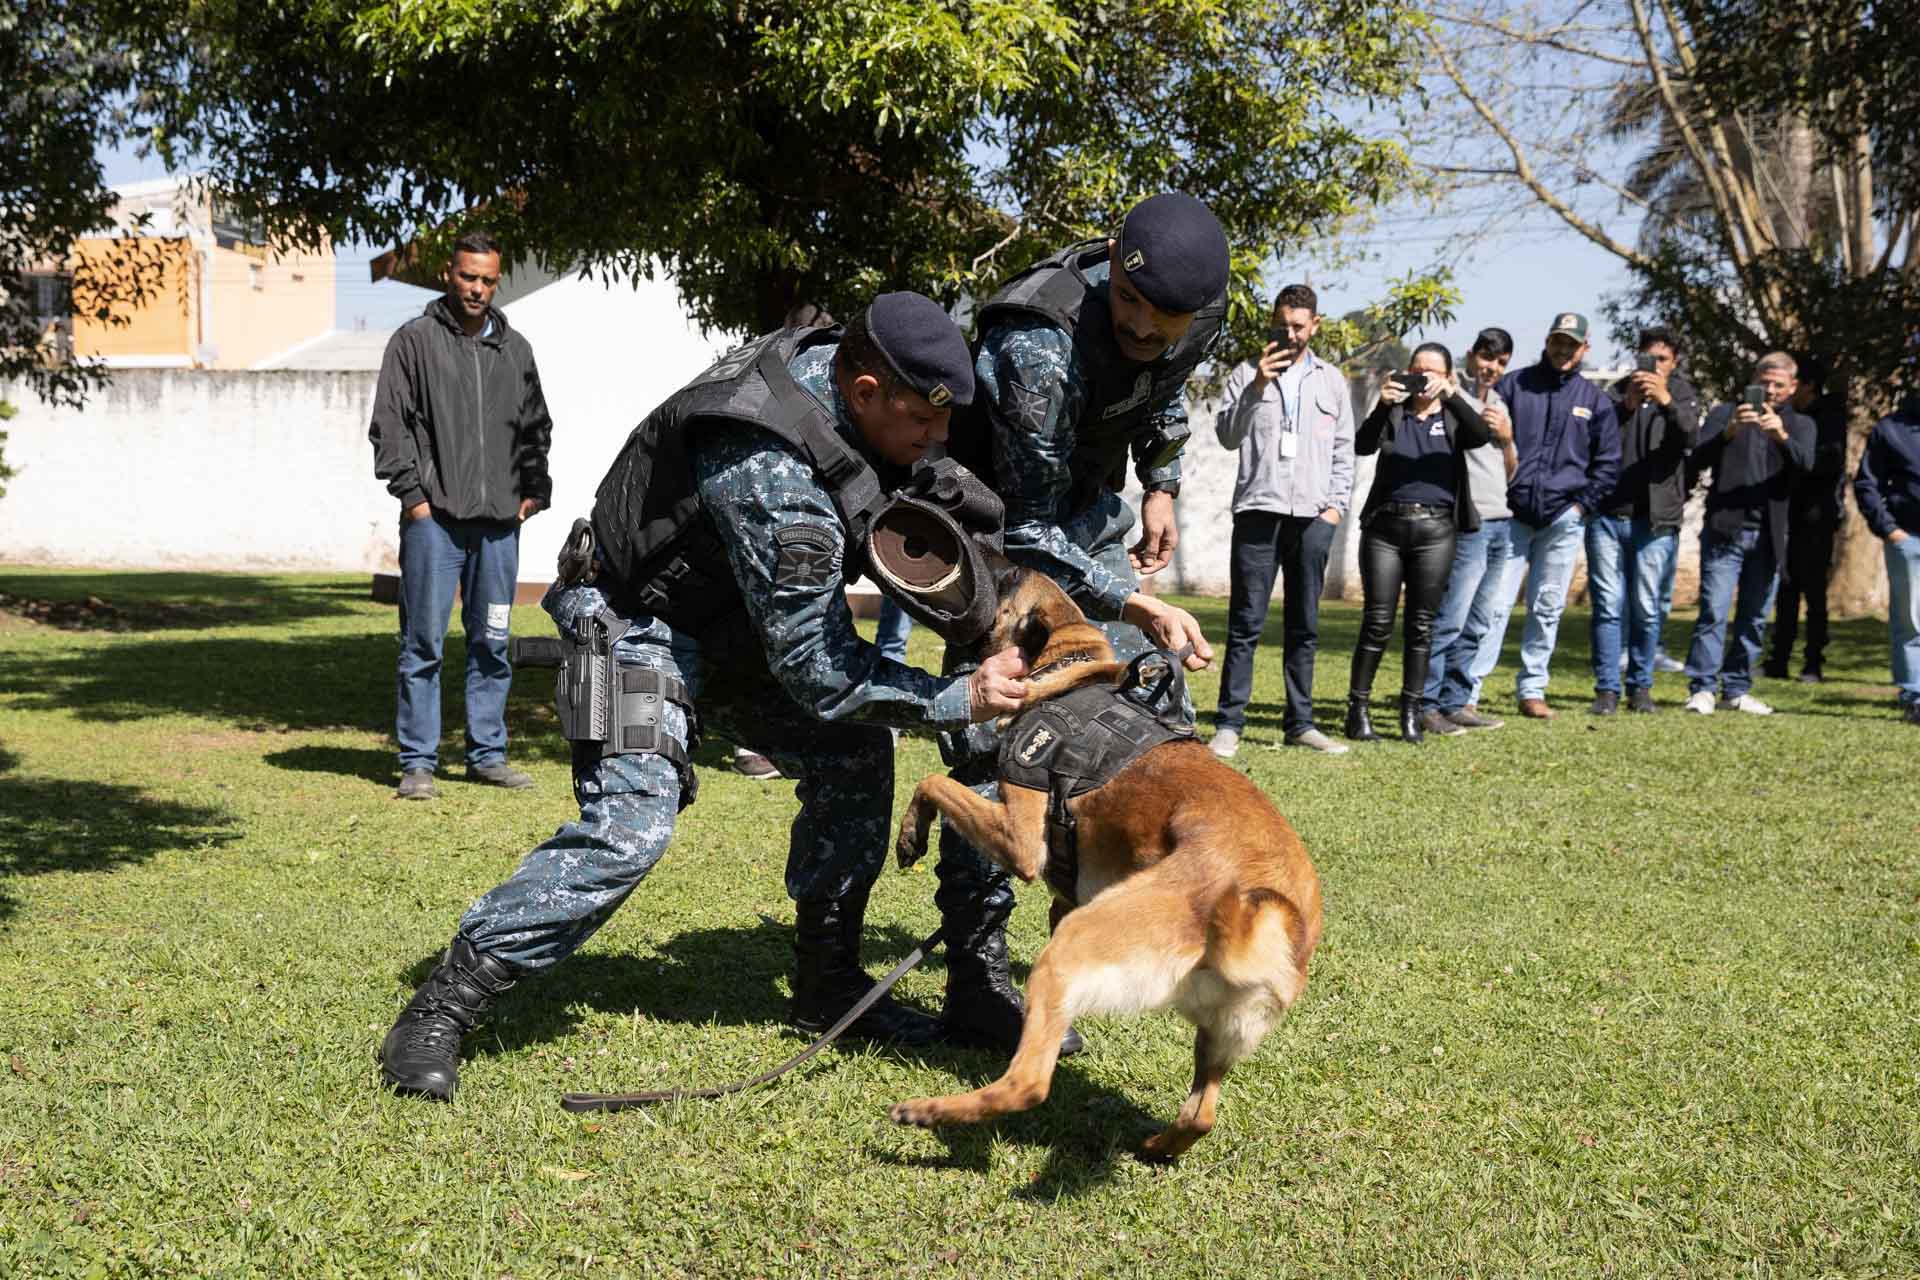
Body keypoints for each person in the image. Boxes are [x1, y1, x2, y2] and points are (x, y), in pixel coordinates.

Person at [378, 293, 1030, 1101]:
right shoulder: (773, 476)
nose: (936, 443)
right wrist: (951, 697)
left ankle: (827, 983)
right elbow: (819, 671)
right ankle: (446, 1001)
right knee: (632, 824)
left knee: (854, 754)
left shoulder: (837, 380)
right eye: (920, 423)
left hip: (726, 628)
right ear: (863, 391)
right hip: (628, 622)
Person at [935, 192, 1222, 1057]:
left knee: (1150, 705)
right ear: (1110, 261)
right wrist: (1132, 598)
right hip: (991, 535)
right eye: (1130, 307)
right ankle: (976, 980)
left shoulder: (1192, 317)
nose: (1142, 329)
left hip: (1086, 512)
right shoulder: (1039, 341)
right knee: (1002, 746)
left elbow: (1163, 396)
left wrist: (1163, 485)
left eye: (1163, 319)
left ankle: (1110, 915)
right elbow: (1023, 525)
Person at [369, 230, 553, 800]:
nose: (476, 289)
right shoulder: (414, 342)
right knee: (422, 642)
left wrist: (533, 489)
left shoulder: (515, 350)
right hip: (435, 525)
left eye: (487, 280)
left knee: (492, 640)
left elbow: (536, 428)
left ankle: (486, 755)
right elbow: (388, 427)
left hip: (499, 525)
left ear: (497, 282)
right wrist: (415, 499)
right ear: (449, 275)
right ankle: (419, 763)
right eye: (468, 277)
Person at [1207, 282, 1356, 758]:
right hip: (1258, 510)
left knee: (1304, 625)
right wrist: (1256, 388)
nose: (1290, 333)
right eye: (1283, 324)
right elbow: (1228, 436)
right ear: (1273, 321)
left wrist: (1335, 508)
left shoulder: (1331, 381)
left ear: (1314, 325)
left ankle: (1302, 723)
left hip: (1312, 517)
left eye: (1299, 325)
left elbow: (1344, 451)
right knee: (1245, 623)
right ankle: (1230, 723)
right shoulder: (1245, 374)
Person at [1345, 342, 1492, 743]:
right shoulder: (1394, 412)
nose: (1424, 378)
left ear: (1447, 375)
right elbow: (1362, 446)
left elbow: (1483, 435)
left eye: (1433, 372)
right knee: (1377, 622)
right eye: (1418, 370)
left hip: (1436, 531)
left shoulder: (1455, 415)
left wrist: (1453, 395)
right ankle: (1358, 712)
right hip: (1385, 528)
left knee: (1421, 626)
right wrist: (1380, 405)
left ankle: (1412, 712)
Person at [1484, 311, 1621, 719]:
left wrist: (1581, 507)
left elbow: (1608, 464)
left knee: (1546, 607)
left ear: (1585, 349)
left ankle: (1532, 689)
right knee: (1493, 604)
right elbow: (1485, 442)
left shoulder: (1595, 401)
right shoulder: (1514, 386)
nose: (1563, 350)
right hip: (1512, 515)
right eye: (1558, 341)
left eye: (1572, 344)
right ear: (1547, 341)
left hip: (1563, 518)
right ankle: (1468, 688)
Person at [1681, 352, 1815, 714]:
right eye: (1765, 382)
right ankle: (1703, 688)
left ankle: (1736, 689)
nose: (1770, 390)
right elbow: (1696, 459)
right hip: (1726, 529)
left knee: (1755, 617)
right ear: (1754, 380)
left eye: (1779, 385)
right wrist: (1728, 434)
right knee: (1713, 611)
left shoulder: (1800, 425)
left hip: (1770, 535)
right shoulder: (1728, 413)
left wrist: (1782, 437)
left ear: (1792, 388)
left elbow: (1807, 465)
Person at [1586, 326, 1702, 713]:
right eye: (1647, 359)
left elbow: (1689, 440)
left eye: (1662, 360)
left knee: (1647, 606)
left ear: (1675, 363)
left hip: (1655, 520)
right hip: (1608, 515)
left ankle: (1640, 687)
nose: (1653, 368)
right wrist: (1626, 408)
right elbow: (1594, 444)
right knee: (1607, 605)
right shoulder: (1616, 394)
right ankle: (1606, 689)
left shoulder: (1683, 395)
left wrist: (1667, 401)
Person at [1423, 327, 1517, 732]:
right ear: (1470, 356)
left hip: (1502, 521)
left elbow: (1509, 468)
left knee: (1481, 620)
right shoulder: (1449, 397)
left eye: (1499, 362)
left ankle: (1457, 701)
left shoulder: (1498, 403)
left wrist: (1509, 440)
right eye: (1485, 358)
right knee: (1452, 617)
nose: (1490, 368)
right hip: (1469, 523)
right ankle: (1427, 703)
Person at [1764, 354, 1848, 683]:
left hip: (1815, 516)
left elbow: (1826, 464)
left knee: (1813, 592)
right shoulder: (1793, 416)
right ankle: (1779, 658)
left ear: (1807, 385)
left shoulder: (1826, 420)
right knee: (1786, 589)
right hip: (1789, 512)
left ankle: (1813, 662)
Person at [1851, 388, 1920, 725]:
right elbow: (1867, 483)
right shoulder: (1891, 429)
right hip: (1908, 538)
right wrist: (1891, 531)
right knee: (1911, 621)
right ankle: (1915, 696)